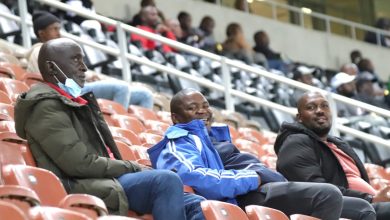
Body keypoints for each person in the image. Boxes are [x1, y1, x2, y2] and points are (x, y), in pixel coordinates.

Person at [14, 38, 205, 219]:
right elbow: (78, 164)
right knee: (166, 180)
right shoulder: (46, 106)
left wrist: (133, 169)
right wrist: (131, 167)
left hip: (105, 179)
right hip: (83, 185)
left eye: (83, 60)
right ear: (50, 67)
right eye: (76, 60)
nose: (84, 67)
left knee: (197, 203)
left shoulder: (72, 102)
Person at [147, 88, 358, 220]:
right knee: (327, 195)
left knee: (360, 208)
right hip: (237, 198)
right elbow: (200, 177)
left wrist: (260, 174)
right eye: (193, 108)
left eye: (206, 105)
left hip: (241, 196)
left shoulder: (212, 140)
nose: (203, 111)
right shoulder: (178, 143)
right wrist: (255, 176)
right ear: (175, 117)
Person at [274, 91, 390, 220]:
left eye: (324, 106)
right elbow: (317, 189)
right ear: (299, 117)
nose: (320, 111)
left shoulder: (337, 144)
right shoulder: (296, 142)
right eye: (311, 107)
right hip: (338, 207)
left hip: (367, 204)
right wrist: (371, 198)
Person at [27, 11, 154, 109]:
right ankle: (116, 126)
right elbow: (53, 78)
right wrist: (83, 78)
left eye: (59, 29)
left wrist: (87, 76)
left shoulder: (56, 51)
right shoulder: (39, 51)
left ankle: (135, 131)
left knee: (145, 95)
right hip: (68, 90)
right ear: (41, 33)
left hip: (79, 85)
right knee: (122, 87)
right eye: (54, 29)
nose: (59, 33)